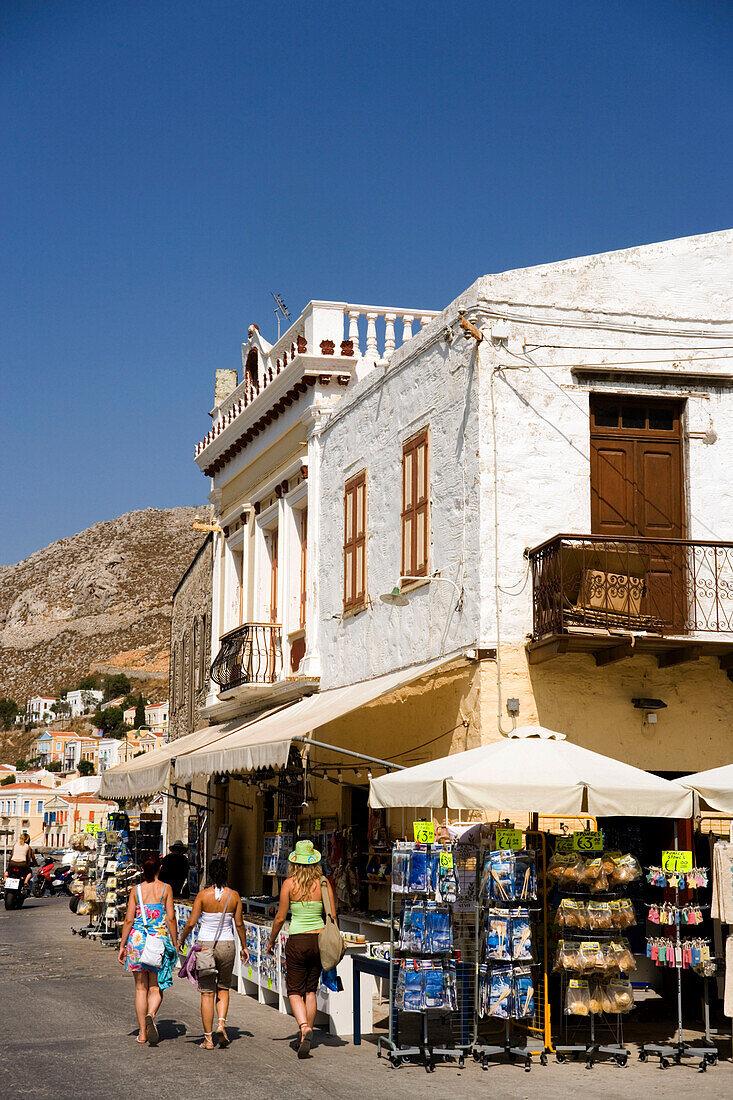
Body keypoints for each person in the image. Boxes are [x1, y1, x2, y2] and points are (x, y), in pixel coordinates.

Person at [267, 839, 336, 1059]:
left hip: (297, 941)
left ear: (295, 862)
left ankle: (304, 1027)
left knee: (294, 991)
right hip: (318, 942)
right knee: (310, 990)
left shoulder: (289, 884)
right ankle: (306, 1034)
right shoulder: (323, 883)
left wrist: (271, 941)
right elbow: (333, 916)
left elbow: (279, 918)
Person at [178, 857, 249, 1049]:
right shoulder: (234, 896)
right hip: (227, 945)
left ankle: (208, 1039)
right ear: (226, 874)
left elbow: (191, 922)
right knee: (224, 987)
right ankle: (221, 1024)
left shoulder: (202, 895)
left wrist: (181, 939)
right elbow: (239, 924)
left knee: (207, 993)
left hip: (205, 947)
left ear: (210, 875)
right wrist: (244, 946)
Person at [118, 853, 179, 1045]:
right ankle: (151, 1014)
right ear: (160, 868)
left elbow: (128, 919)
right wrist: (176, 942)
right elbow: (170, 918)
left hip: (137, 941)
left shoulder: (135, 890)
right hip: (157, 942)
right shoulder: (166, 889)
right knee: (155, 986)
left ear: (143, 870)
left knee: (140, 988)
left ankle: (143, 1033)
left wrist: (122, 945)